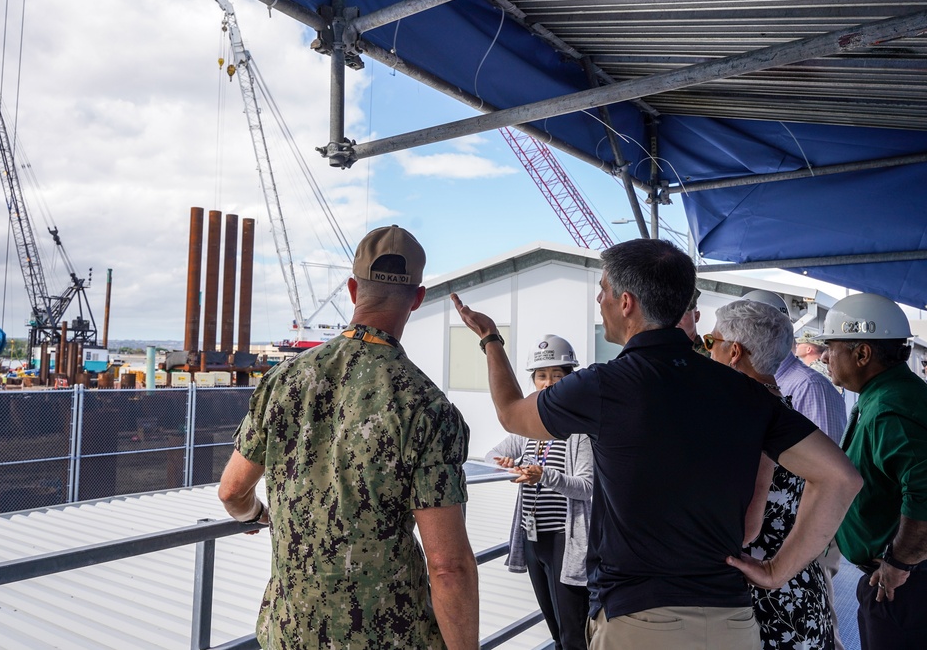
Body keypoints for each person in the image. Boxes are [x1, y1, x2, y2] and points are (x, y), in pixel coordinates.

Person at [451, 237, 862, 650]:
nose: (600, 301)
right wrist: (777, 570)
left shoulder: (603, 385)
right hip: (731, 622)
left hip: (640, 621)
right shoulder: (746, 392)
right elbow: (840, 478)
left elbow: (510, 413)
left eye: (604, 292)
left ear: (626, 302)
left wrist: (491, 340)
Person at [219, 225, 478, 650]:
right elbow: (448, 566)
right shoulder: (426, 406)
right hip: (388, 636)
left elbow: (231, 491)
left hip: (290, 633)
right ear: (417, 298)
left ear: (353, 288)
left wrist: (256, 516)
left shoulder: (283, 379)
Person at [707, 299, 834, 649]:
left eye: (709, 342)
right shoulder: (783, 411)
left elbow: (747, 527)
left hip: (769, 600)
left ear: (733, 352)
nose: (706, 353)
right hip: (797, 584)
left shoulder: (755, 417)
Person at [817, 292, 927, 649]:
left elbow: (925, 490)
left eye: (831, 347)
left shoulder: (890, 407)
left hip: (901, 587)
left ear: (862, 353)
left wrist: (899, 563)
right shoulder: (887, 395)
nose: (824, 356)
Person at [741, 291, 849, 650]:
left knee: (816, 623)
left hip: (796, 546)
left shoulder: (807, 388)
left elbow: (827, 478)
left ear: (741, 345)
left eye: (715, 341)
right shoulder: (768, 396)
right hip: (778, 557)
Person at [486, 335, 593, 650]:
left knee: (574, 633)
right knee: (555, 630)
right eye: (541, 376)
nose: (547, 383)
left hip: (565, 540)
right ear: (532, 380)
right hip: (534, 539)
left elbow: (587, 486)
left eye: (557, 376)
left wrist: (544, 475)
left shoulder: (579, 430)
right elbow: (493, 455)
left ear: (569, 379)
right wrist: (512, 462)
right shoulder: (527, 429)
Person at [676, 287, 708, 356]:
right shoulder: (661, 349)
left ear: (696, 317)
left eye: (683, 313)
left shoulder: (708, 356)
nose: (676, 318)